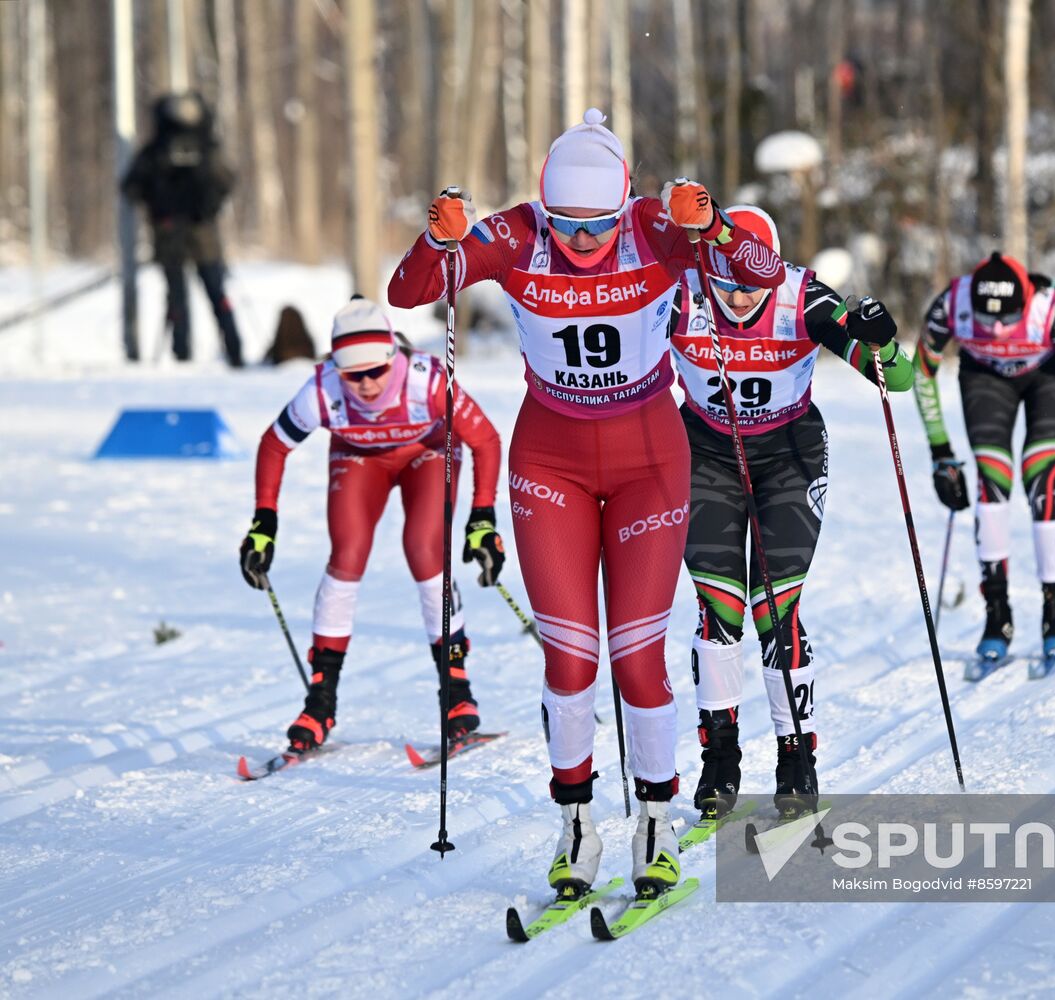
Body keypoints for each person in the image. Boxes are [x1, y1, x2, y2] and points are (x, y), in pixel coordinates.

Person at [388, 109, 784, 899]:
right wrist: (439, 242)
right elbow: (408, 294)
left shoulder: (652, 227)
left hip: (648, 459)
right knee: (569, 657)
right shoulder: (515, 234)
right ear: (544, 205)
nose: (580, 240)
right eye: (567, 224)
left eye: (596, 224)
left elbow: (762, 272)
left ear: (623, 204)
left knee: (638, 657)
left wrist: (707, 225)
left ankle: (655, 823)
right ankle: (575, 823)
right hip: (551, 460)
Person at [671, 205, 913, 820]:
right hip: (704, 453)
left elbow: (901, 379)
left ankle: (795, 754)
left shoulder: (801, 297)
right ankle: (720, 758)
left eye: (753, 283)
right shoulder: (682, 294)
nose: (740, 296)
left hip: (789, 454)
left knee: (775, 607)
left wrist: (884, 337)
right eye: (726, 283)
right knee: (720, 608)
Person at [237, 297, 504, 753]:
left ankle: (457, 695)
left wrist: (482, 517)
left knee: (424, 548)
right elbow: (273, 444)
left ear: (392, 357)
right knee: (347, 554)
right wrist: (264, 521)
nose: (364, 385)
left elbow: (486, 440)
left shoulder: (427, 380)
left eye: (374, 372)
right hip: (359, 458)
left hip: (429, 452)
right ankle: (320, 703)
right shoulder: (323, 389)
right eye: (351, 375)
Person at [912, 252, 1055, 664]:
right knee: (991, 479)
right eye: (986, 319)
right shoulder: (952, 304)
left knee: (1040, 474)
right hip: (986, 376)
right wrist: (941, 453)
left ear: (1025, 303)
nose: (996, 328)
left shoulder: (1051, 311)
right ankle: (998, 615)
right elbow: (921, 371)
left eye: (1007, 319)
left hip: (1050, 374)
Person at [120, 92, 244, 367]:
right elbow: (227, 180)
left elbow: (131, 186)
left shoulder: (164, 149)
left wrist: (164, 206)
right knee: (205, 294)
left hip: (179, 235)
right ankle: (230, 353)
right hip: (192, 236)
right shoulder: (200, 148)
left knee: (193, 295)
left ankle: (190, 354)